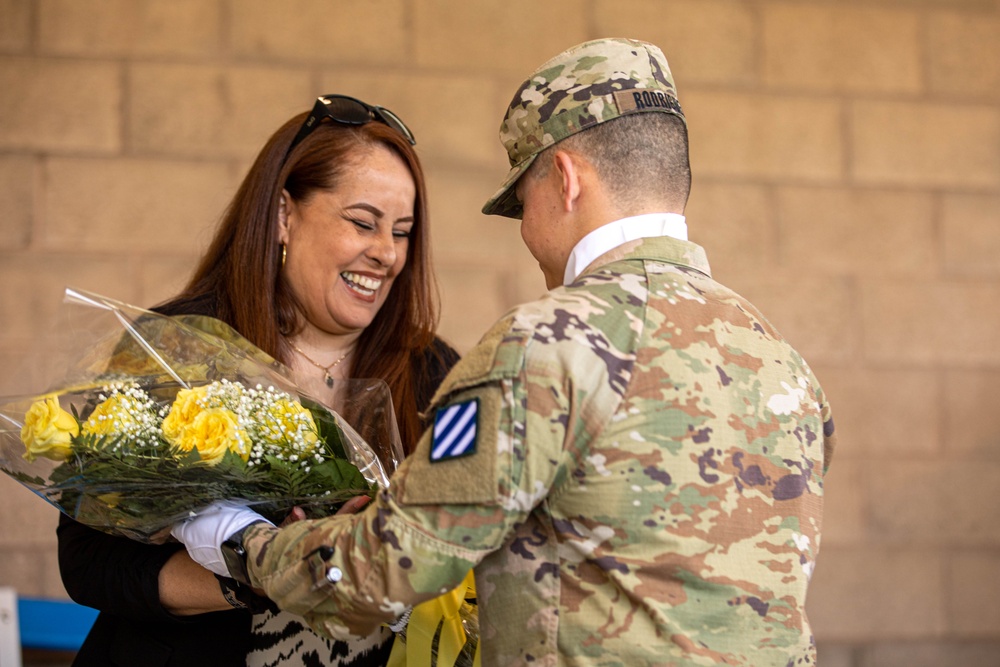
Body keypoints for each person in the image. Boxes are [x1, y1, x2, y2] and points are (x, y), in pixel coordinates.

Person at [172, 38, 837, 666]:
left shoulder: (546, 346)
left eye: (523, 203)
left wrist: (245, 544)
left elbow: (387, 568)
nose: (528, 230)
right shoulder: (782, 362)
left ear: (566, 180)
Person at [56, 94, 460, 667]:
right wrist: (263, 574)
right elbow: (87, 563)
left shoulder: (433, 372)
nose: (386, 254)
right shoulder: (177, 349)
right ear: (282, 215)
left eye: (402, 232)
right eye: (363, 223)